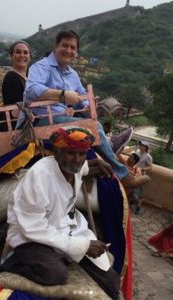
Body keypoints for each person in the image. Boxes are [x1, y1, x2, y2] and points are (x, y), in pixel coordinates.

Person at [1, 126, 120, 299]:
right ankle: (12, 262)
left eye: (82, 154)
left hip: (63, 228)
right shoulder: (39, 176)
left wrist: (96, 163)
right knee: (55, 274)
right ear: (56, 153)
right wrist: (81, 246)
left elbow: (83, 167)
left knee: (110, 280)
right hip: (31, 236)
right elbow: (33, 227)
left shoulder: (75, 168)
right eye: (71, 153)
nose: (76, 159)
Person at [19, 30, 140, 189]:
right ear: (56, 46)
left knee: (94, 123)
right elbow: (31, 90)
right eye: (65, 46)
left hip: (60, 120)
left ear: (76, 51)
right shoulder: (42, 66)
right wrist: (62, 95)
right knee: (94, 127)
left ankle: (109, 149)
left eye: (72, 47)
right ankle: (123, 174)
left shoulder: (72, 74)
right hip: (41, 120)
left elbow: (80, 97)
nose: (68, 50)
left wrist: (87, 106)